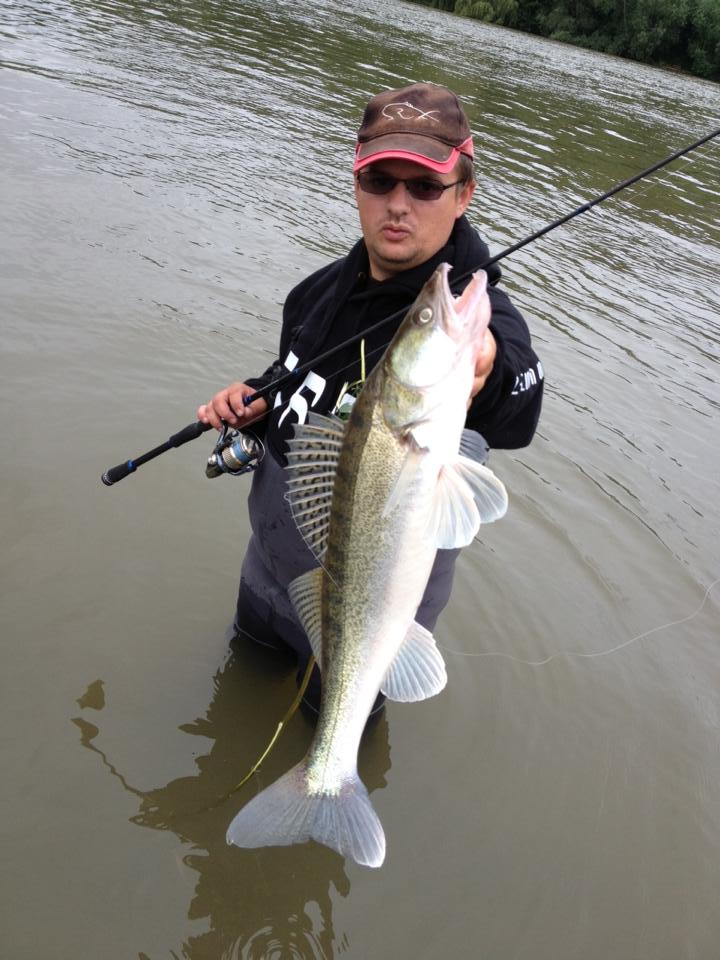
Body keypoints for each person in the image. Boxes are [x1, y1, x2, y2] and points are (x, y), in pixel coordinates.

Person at [198, 82, 544, 715]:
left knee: (336, 731)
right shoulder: (315, 293)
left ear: (464, 193)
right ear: (356, 183)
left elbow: (516, 404)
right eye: (379, 181)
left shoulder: (469, 319)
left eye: (425, 186)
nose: (398, 205)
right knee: (236, 692)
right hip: (269, 571)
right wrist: (260, 396)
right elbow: (293, 370)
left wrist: (488, 366)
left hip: (374, 610)